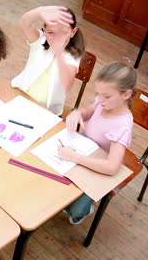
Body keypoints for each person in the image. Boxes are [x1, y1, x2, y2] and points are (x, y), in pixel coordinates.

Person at [58, 62, 137, 224]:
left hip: (95, 165)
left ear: (126, 94)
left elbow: (112, 167)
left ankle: (85, 211)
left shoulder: (123, 126)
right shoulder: (103, 102)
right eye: (98, 94)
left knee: (75, 210)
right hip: (81, 151)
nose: (100, 100)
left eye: (106, 96)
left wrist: (74, 157)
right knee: (57, 190)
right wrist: (77, 113)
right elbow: (88, 112)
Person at [11, 6, 85, 115]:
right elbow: (24, 22)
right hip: (21, 96)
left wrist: (59, 54)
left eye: (63, 33)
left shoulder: (73, 57)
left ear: (73, 32)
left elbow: (67, 84)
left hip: (47, 111)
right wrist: (41, 12)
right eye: (51, 32)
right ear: (44, 31)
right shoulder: (39, 41)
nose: (57, 38)